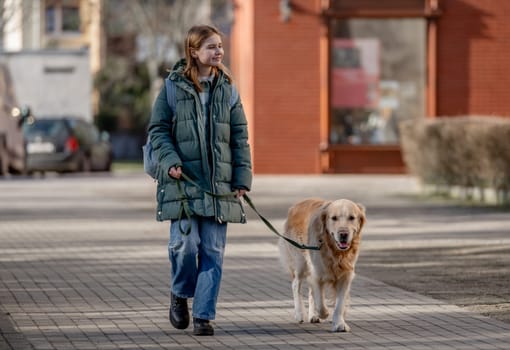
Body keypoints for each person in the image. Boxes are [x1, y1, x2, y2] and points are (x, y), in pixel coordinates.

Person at [148, 25, 252, 336]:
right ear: (194, 52)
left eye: (219, 46)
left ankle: (204, 316)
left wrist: (242, 179)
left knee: (213, 251)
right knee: (184, 245)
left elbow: (239, 139)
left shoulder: (229, 90)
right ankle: (180, 294)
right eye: (210, 47)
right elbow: (157, 130)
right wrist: (170, 162)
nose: (218, 52)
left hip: (220, 186)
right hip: (183, 183)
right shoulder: (171, 87)